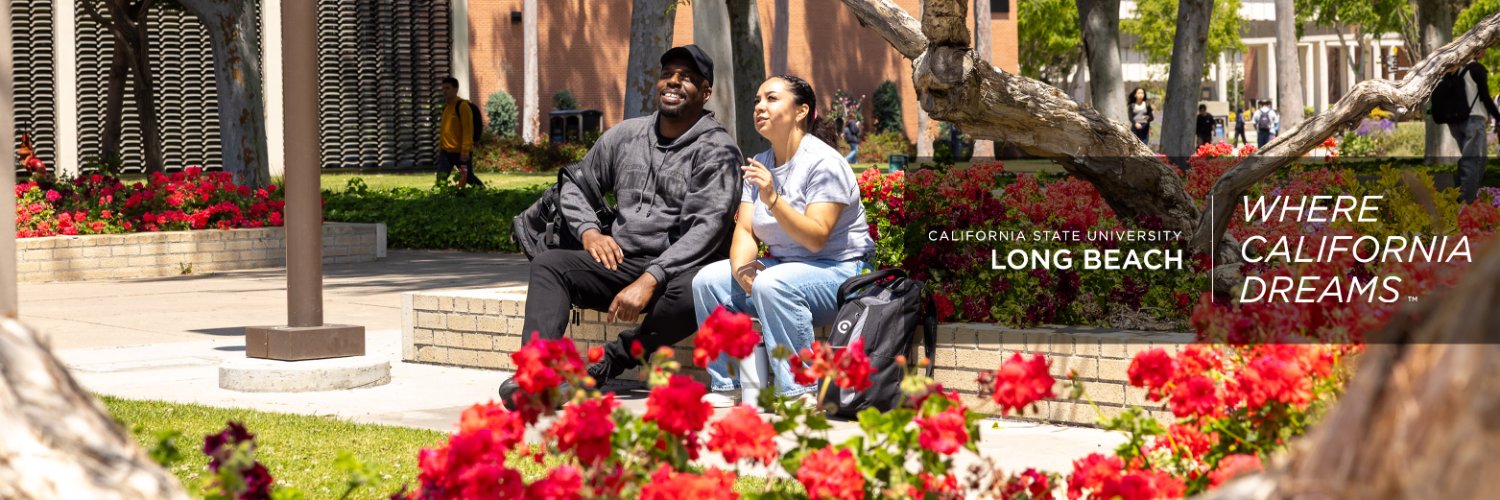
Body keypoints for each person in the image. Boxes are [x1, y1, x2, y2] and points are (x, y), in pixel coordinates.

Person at [497, 45, 744, 407]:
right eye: (668, 75)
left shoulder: (718, 150)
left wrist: (651, 279)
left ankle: (604, 366)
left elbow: (706, 229)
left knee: (697, 290)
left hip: (677, 272)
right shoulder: (627, 135)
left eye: (687, 78)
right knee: (550, 265)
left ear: (705, 92)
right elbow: (575, 185)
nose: (674, 82)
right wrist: (589, 231)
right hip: (622, 262)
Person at [695, 75, 876, 408]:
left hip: (841, 273)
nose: (761, 107)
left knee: (773, 283)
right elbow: (746, 231)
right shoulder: (762, 163)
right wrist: (741, 271)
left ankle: (799, 390)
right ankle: (728, 383)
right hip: (788, 271)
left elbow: (816, 237)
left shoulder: (824, 163)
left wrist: (773, 197)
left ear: (801, 111)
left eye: (772, 99)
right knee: (708, 281)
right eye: (758, 100)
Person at [1446, 50, 1500, 204]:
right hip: (1473, 119)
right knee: (1475, 163)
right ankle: (1466, 203)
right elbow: (1485, 97)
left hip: (1456, 122)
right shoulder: (1476, 69)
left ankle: (1457, 195)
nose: (1485, 51)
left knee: (1467, 161)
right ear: (1476, 51)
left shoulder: (1454, 71)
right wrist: (1498, 117)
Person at [436, 77, 485, 188]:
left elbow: (468, 130)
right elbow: (445, 130)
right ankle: (442, 200)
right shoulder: (447, 107)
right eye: (443, 88)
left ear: (456, 89)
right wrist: (440, 147)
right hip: (446, 152)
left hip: (460, 152)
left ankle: (483, 190)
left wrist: (465, 151)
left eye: (447, 88)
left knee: (468, 177)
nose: (444, 91)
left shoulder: (463, 106)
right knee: (440, 178)